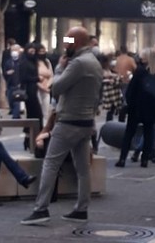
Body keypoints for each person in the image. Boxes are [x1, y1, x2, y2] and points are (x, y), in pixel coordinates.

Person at [21, 26, 103, 225]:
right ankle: (81, 208)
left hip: (68, 121)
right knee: (82, 168)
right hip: (85, 121)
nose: (65, 45)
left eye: (68, 41)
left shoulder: (78, 64)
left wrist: (58, 68)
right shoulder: (94, 63)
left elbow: (55, 87)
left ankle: (41, 208)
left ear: (77, 42)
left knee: (50, 163)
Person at [115, 48, 155, 168]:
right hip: (150, 109)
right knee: (148, 135)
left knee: (129, 133)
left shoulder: (139, 72)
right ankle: (144, 160)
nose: (140, 58)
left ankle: (122, 159)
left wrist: (129, 103)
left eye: (142, 56)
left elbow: (131, 90)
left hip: (136, 108)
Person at [19, 44, 44, 150]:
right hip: (29, 93)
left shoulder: (33, 61)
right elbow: (23, 77)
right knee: (36, 116)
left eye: (34, 51)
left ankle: (29, 139)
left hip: (34, 91)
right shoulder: (24, 62)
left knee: (34, 116)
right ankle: (32, 139)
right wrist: (37, 78)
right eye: (31, 51)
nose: (33, 54)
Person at [2, 44, 23, 119]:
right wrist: (7, 73)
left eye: (15, 50)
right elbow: (4, 72)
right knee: (10, 99)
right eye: (12, 50)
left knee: (16, 99)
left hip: (18, 84)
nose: (14, 52)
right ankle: (14, 111)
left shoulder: (22, 61)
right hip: (10, 83)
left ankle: (16, 115)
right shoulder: (8, 62)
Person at [36, 44, 54, 120]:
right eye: (40, 51)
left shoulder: (47, 62)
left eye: (43, 51)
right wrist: (41, 86)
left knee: (46, 111)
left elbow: (51, 75)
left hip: (46, 89)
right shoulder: (34, 62)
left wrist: (47, 86)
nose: (42, 53)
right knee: (38, 110)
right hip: (37, 89)